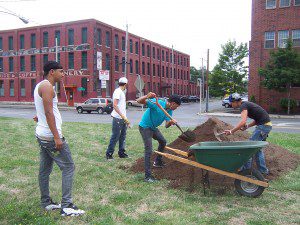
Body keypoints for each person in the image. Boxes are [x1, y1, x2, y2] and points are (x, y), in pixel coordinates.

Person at [34, 61, 85, 216]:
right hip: (50, 137)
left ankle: (46, 203)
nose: (63, 74)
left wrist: (40, 116)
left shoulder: (40, 86)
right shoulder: (48, 87)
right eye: (61, 71)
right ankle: (67, 206)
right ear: (52, 72)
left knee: (45, 169)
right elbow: (49, 113)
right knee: (69, 166)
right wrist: (57, 137)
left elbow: (44, 109)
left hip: (42, 134)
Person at [137, 93, 181, 182]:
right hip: (145, 127)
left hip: (153, 128)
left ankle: (157, 162)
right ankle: (147, 177)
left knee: (163, 141)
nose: (176, 108)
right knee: (148, 150)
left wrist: (171, 122)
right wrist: (147, 96)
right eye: (176, 106)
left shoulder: (169, 110)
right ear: (172, 103)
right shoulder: (158, 103)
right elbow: (138, 101)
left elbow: (166, 126)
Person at [224, 93, 272, 175]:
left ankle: (246, 171)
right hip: (266, 126)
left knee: (249, 148)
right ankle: (263, 171)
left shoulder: (243, 106)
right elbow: (258, 119)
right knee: (257, 150)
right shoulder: (246, 104)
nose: (231, 104)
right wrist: (247, 126)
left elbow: (243, 121)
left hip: (263, 127)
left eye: (231, 102)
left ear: (235, 101)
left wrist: (231, 131)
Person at [106, 77, 130, 160]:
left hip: (123, 119)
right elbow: (115, 105)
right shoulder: (117, 91)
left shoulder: (122, 92)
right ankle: (109, 154)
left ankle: (121, 153)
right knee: (115, 136)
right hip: (117, 118)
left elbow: (122, 107)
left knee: (123, 136)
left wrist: (125, 119)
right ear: (125, 84)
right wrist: (122, 116)